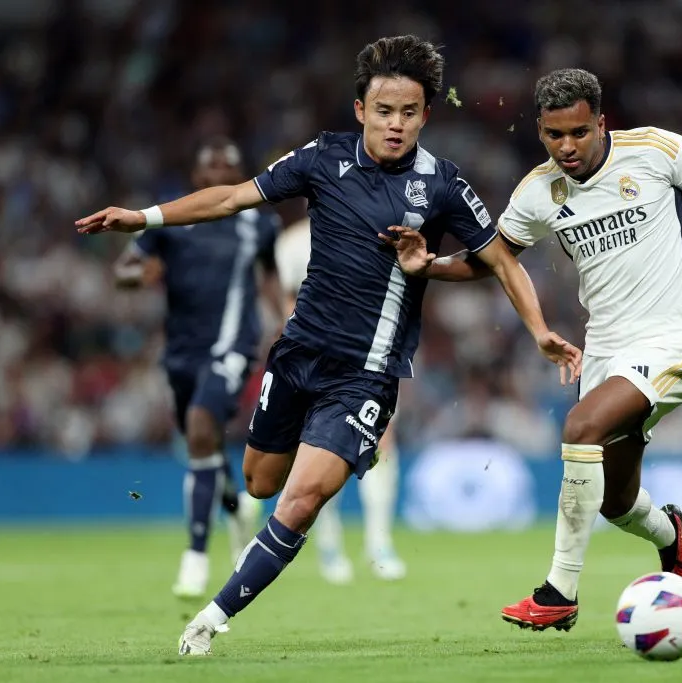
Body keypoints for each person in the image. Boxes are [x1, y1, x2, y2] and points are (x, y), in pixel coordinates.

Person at [76, 35, 581, 655]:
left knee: (304, 497)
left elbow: (500, 261)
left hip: (366, 375)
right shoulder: (323, 158)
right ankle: (296, 495)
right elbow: (234, 197)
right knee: (261, 483)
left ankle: (213, 616)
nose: (396, 125)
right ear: (360, 110)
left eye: (409, 113)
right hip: (296, 356)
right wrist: (145, 216)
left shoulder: (442, 183)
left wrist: (538, 332)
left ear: (426, 114)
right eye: (385, 111)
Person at [382, 68, 682, 632]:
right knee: (616, 501)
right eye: (553, 135)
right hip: (606, 350)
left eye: (577, 132)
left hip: (674, 340)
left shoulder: (656, 151)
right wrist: (431, 266)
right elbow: (493, 260)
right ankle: (671, 537)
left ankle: (558, 594)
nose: (566, 147)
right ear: (541, 132)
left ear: (600, 121)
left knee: (579, 428)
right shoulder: (538, 192)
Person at [112, 138, 280, 599]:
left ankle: (196, 557)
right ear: (197, 177)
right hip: (182, 354)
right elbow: (124, 268)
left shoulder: (259, 225)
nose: (224, 170)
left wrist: (286, 322)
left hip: (232, 348)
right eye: (213, 164)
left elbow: (270, 280)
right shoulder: (169, 222)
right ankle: (235, 508)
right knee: (202, 443)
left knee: (202, 426)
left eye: (232, 162)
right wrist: (135, 277)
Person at [275, 215, 406, 583]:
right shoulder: (292, 242)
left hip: (370, 356)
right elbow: (288, 304)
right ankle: (329, 546)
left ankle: (379, 543)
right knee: (316, 449)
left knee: (383, 440)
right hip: (313, 360)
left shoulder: (369, 225)